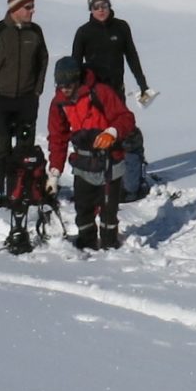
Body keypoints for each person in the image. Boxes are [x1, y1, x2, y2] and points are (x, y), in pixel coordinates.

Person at [46, 56, 138, 250]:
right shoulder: (59, 103)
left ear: (77, 79)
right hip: (83, 162)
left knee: (108, 212)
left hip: (109, 162)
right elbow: (57, 138)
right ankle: (86, 245)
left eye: (68, 84)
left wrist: (112, 132)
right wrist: (54, 173)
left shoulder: (100, 92)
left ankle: (109, 245)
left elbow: (126, 118)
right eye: (60, 85)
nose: (64, 89)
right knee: (83, 209)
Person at [0, 0, 48, 211]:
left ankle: (25, 190)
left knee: (25, 148)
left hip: (27, 99)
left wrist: (37, 90)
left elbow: (42, 60)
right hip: (1, 100)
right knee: (2, 149)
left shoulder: (35, 32)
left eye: (32, 6)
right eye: (28, 7)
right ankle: (2, 191)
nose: (32, 11)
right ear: (15, 9)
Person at [72, 0, 153, 104]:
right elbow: (75, 63)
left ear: (109, 6)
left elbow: (132, 56)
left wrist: (142, 83)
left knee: (121, 122)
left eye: (104, 5)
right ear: (91, 9)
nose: (101, 10)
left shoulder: (121, 27)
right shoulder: (83, 32)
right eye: (96, 6)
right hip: (94, 92)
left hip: (117, 90)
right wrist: (75, 91)